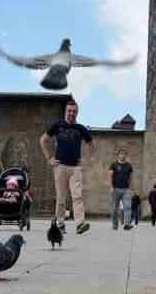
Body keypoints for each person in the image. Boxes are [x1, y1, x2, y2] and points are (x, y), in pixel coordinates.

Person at [40, 100, 94, 235]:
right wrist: (49, 159)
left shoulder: (81, 128)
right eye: (69, 111)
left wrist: (85, 160)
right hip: (60, 166)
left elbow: (91, 145)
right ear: (66, 111)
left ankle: (80, 224)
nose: (71, 113)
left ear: (77, 113)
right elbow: (43, 140)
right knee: (61, 197)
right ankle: (60, 223)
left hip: (75, 168)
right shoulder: (58, 126)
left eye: (74, 111)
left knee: (77, 195)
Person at [108, 148, 134, 231]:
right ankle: (115, 225)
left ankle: (127, 224)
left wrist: (131, 188)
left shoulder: (129, 166)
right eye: (121, 154)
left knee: (127, 207)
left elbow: (131, 178)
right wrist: (111, 187)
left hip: (126, 189)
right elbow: (110, 176)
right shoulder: (114, 165)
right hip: (116, 189)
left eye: (124, 154)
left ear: (126, 155)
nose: (122, 156)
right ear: (118, 155)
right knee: (114, 209)